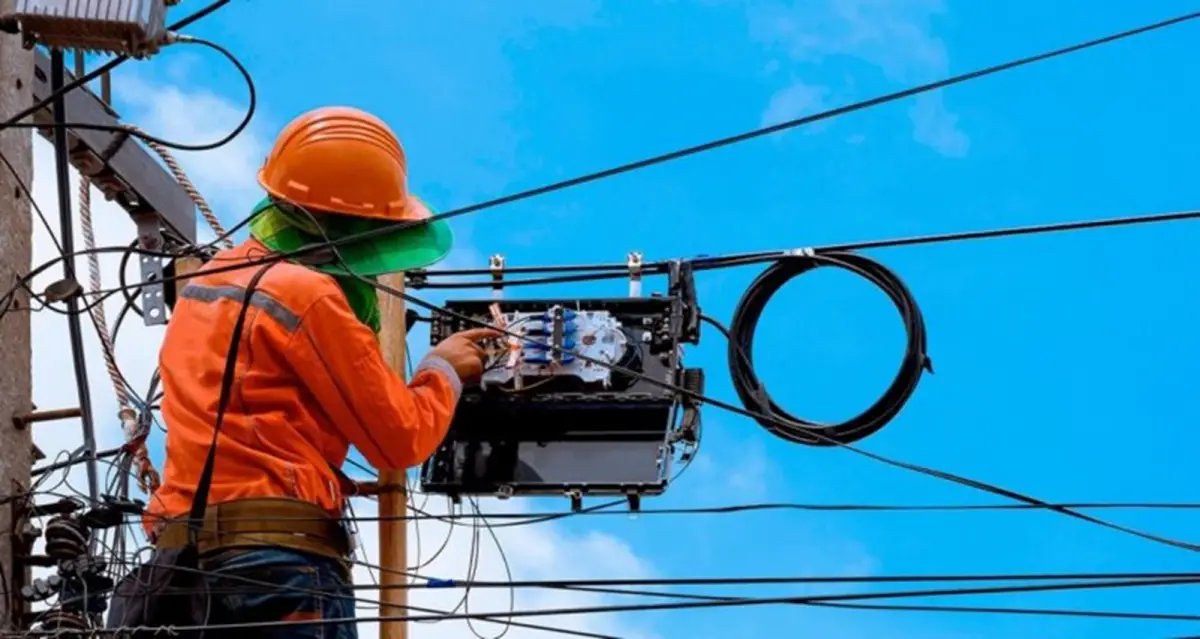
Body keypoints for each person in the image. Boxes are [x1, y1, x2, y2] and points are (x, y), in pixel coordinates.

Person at [106, 106, 497, 638]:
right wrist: (442, 370)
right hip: (278, 570)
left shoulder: (207, 284)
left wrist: (320, 476)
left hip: (184, 569)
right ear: (351, 226)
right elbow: (400, 438)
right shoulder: (307, 294)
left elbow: (246, 417)